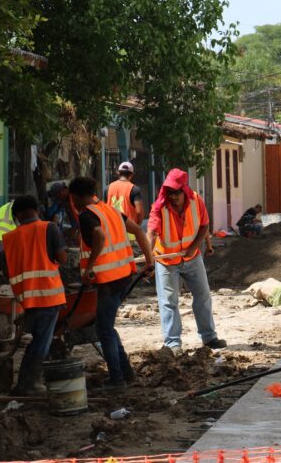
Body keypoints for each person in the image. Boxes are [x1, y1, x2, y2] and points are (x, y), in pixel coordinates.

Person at [69, 176, 154, 389]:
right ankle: (125, 372)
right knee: (107, 326)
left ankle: (117, 379)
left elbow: (99, 236)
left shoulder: (88, 215)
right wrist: (149, 262)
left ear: (77, 197)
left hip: (108, 280)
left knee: (104, 329)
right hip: (123, 275)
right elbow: (139, 231)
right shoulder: (111, 210)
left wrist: (89, 268)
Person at [146, 168, 225, 355]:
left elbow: (205, 225)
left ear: (185, 190)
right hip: (166, 260)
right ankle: (173, 343)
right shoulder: (160, 206)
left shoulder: (196, 200)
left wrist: (193, 247)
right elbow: (151, 232)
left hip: (192, 257)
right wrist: (149, 258)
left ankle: (209, 337)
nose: (173, 197)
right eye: (170, 193)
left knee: (203, 295)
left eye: (176, 193)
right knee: (168, 302)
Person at [3, 195, 67, 396]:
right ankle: (29, 383)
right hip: (48, 296)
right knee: (41, 342)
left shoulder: (10, 238)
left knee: (38, 339)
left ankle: (26, 382)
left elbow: (7, 270)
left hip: (26, 299)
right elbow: (62, 258)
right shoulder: (49, 228)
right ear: (36, 209)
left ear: (18, 215)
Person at [105, 161, 144, 226]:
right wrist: (137, 227)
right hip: (128, 231)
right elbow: (139, 212)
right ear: (132, 175)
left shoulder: (108, 188)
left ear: (118, 173)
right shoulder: (134, 189)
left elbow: (104, 208)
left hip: (112, 229)